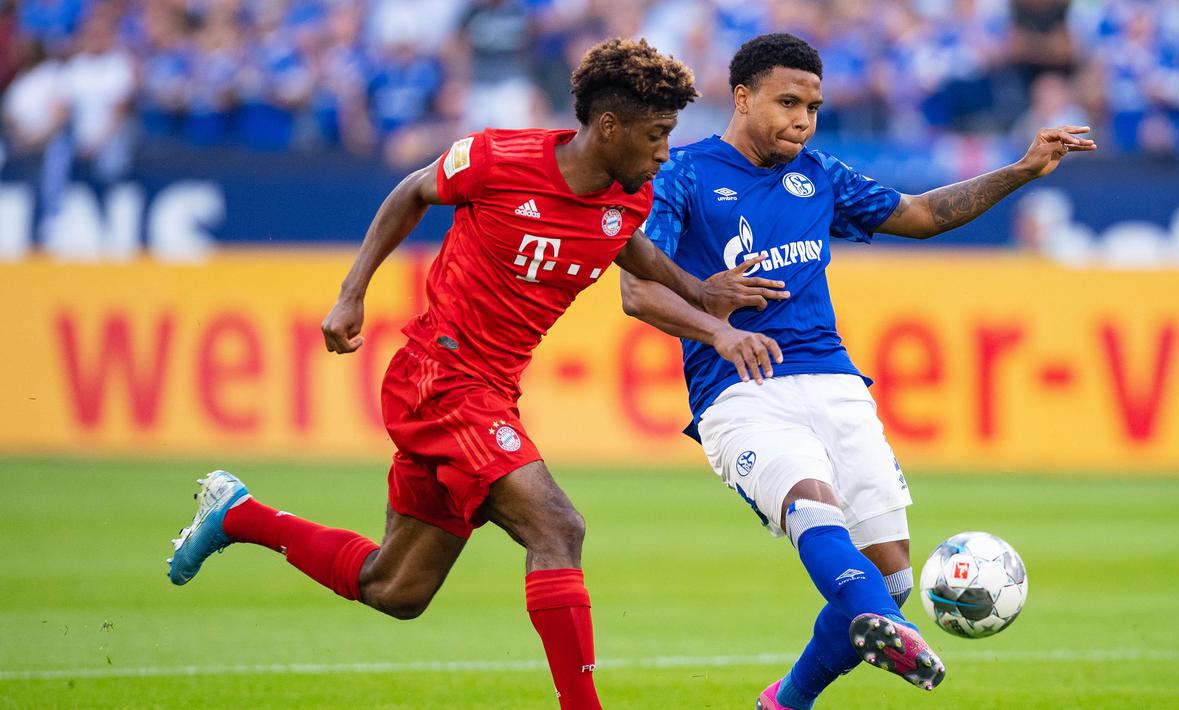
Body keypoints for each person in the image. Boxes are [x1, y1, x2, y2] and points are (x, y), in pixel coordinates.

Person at [167, 38, 785, 710]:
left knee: (395, 588)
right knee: (558, 526)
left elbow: (625, 245)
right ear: (609, 127)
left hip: (490, 394)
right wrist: (351, 293)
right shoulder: (499, 159)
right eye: (656, 134)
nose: (665, 152)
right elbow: (411, 191)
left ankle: (240, 515)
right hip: (438, 378)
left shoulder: (627, 199)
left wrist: (699, 290)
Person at [620, 32, 1095, 710]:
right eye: (787, 103)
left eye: (812, 108)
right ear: (742, 97)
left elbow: (921, 215)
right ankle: (891, 630)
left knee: (890, 575)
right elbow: (637, 290)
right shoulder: (684, 174)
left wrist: (1020, 170)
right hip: (739, 389)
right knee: (812, 502)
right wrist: (716, 326)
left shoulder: (818, 174)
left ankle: (787, 699)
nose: (802, 121)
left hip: (835, 383)